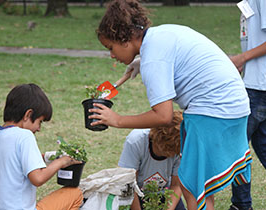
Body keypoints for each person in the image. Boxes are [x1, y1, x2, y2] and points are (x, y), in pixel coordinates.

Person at [90, 0, 253, 209]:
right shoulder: (161, 34)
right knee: (200, 184)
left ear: (125, 40)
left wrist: (118, 120)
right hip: (236, 105)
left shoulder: (153, 58)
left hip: (214, 110)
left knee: (191, 185)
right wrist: (142, 60)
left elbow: (163, 116)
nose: (111, 55)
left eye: (110, 47)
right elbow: (177, 55)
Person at [0, 83, 83, 210]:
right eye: (39, 121)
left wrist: (48, 157)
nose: (39, 129)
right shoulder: (24, 136)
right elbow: (37, 178)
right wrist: (61, 162)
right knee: (75, 194)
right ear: (28, 115)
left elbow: (15, 165)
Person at [229, 0, 266, 210]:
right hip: (255, 84)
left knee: (237, 148)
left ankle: (241, 205)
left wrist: (242, 58)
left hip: (258, 88)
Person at [118, 111, 185, 210]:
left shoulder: (179, 146)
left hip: (164, 193)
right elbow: (128, 184)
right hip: (136, 195)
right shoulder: (135, 141)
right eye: (166, 152)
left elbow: (176, 186)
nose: (169, 155)